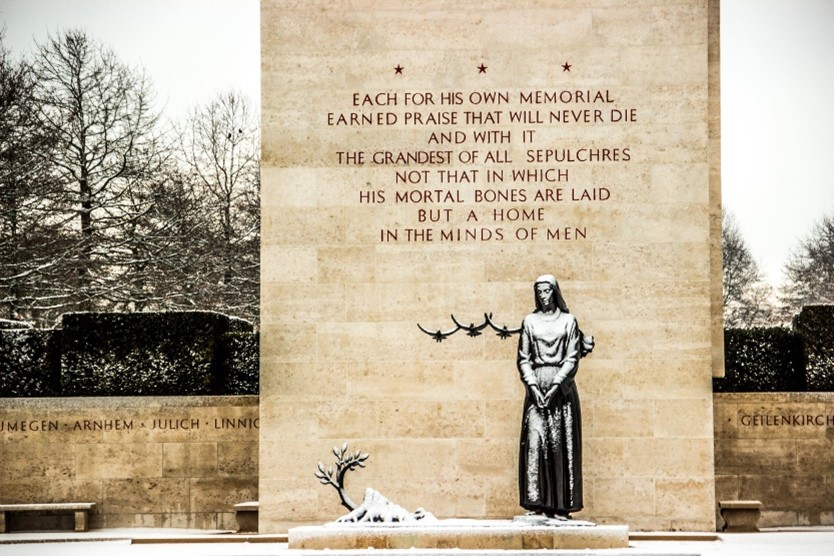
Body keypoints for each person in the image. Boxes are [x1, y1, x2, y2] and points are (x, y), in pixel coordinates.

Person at [516, 274, 590, 519]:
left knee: (559, 445)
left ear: (555, 292)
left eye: (547, 290)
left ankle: (561, 506)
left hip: (562, 390)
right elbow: (523, 359)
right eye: (539, 291)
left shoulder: (569, 321)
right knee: (535, 445)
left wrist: (558, 384)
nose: (542, 295)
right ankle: (536, 502)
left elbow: (572, 357)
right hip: (536, 388)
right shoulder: (529, 321)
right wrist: (533, 386)